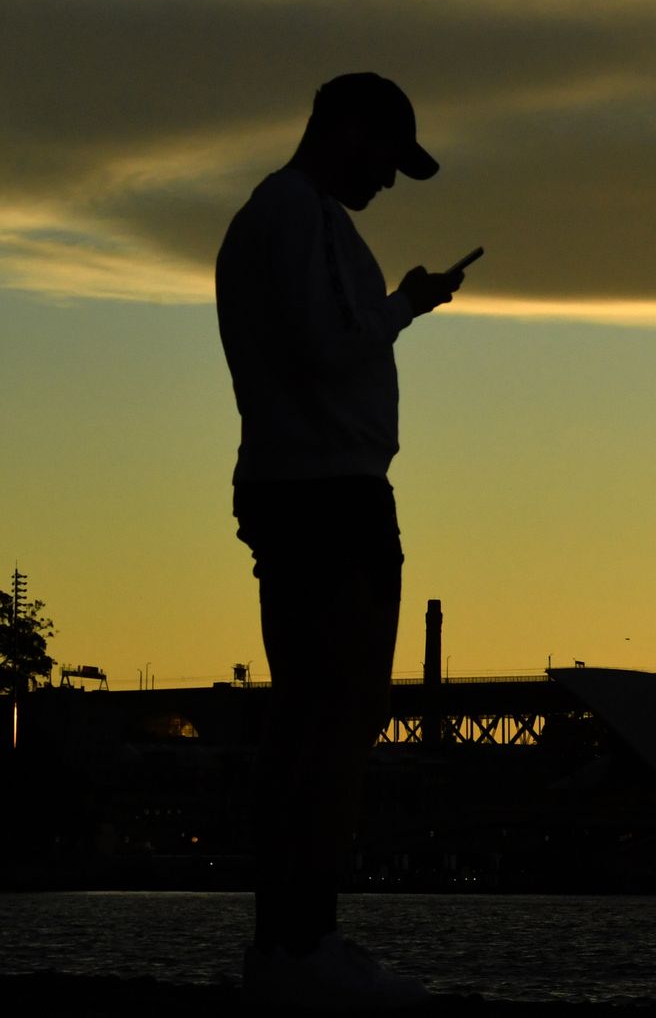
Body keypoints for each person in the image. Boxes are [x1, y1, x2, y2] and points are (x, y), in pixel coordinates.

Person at [215, 72, 463, 1008]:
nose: (390, 184)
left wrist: (402, 305)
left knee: (312, 717)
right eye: (387, 161)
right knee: (334, 716)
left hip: (299, 486)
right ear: (345, 132)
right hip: (327, 493)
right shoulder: (302, 216)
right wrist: (401, 305)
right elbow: (328, 342)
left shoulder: (273, 218)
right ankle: (302, 943)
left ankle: (291, 940)